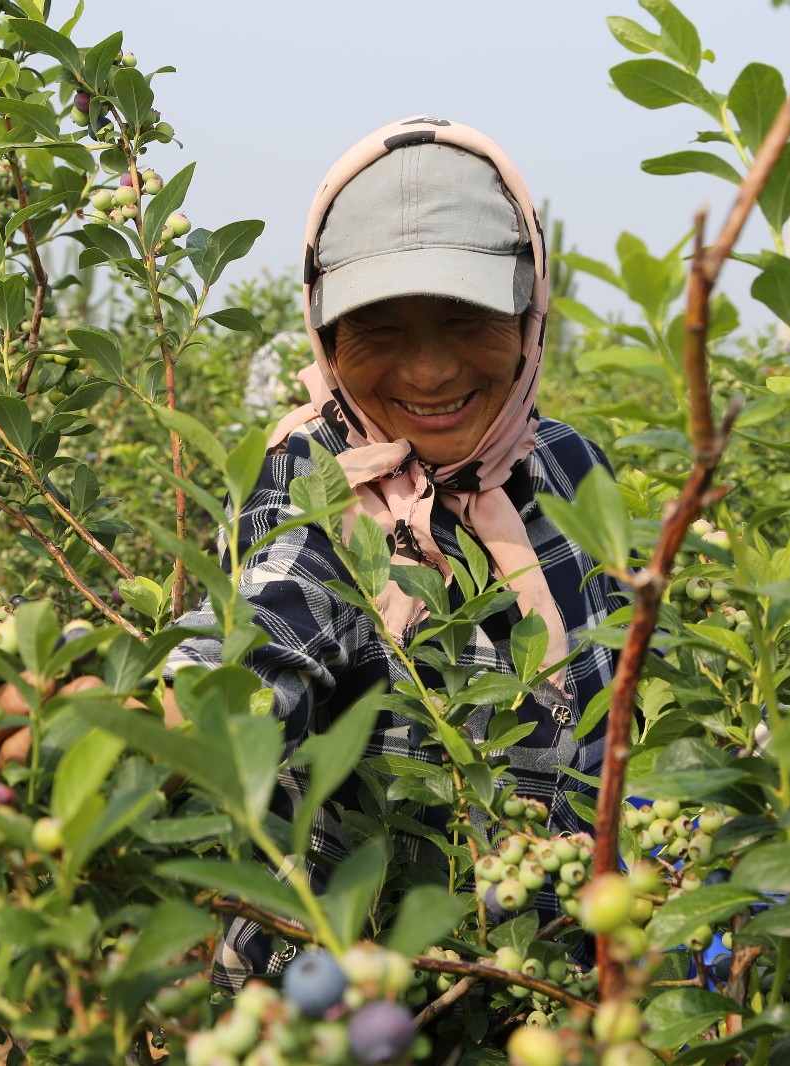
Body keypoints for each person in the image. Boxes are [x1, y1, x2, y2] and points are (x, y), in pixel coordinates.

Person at [160, 116, 627, 988]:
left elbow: (620, 694)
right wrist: (137, 729)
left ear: (529, 318)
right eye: (378, 327)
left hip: (553, 970)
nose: (428, 372)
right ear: (325, 333)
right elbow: (263, 629)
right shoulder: (308, 475)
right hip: (344, 981)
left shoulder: (567, 464)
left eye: (468, 318)